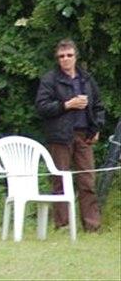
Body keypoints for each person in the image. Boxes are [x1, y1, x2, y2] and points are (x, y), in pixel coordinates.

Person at [35, 38, 105, 232]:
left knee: (88, 181)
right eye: (61, 56)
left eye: (69, 55)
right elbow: (41, 107)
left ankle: (92, 226)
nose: (65, 59)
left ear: (76, 56)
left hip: (84, 135)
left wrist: (97, 127)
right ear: (57, 59)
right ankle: (63, 225)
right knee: (60, 180)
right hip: (60, 136)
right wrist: (67, 105)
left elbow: (98, 106)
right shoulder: (50, 79)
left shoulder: (86, 79)